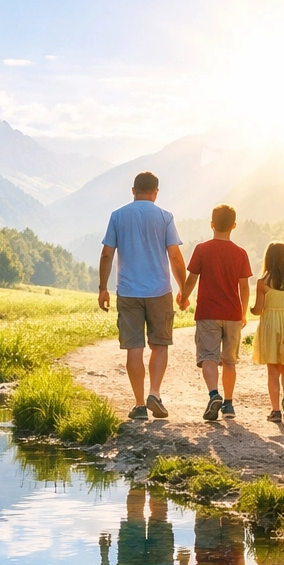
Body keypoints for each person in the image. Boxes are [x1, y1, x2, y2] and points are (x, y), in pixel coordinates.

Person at [99, 171, 186, 421]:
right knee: (160, 344)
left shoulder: (118, 216)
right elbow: (175, 256)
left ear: (133, 190)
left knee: (134, 348)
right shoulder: (165, 217)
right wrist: (183, 289)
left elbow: (107, 254)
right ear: (156, 192)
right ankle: (154, 393)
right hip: (160, 291)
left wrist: (103, 288)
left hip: (128, 292)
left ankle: (139, 405)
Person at [176, 204, 252, 422]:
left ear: (211, 224)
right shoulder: (241, 253)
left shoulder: (202, 249)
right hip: (233, 313)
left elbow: (192, 279)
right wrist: (243, 312)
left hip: (207, 312)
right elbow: (244, 287)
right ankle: (228, 404)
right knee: (229, 361)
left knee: (208, 357)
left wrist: (183, 297)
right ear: (234, 226)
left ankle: (213, 395)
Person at [250, 242, 284, 423]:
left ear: (268, 259)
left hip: (270, 324)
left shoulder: (262, 283)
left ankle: (275, 411)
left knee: (272, 370)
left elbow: (258, 309)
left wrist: (251, 310)